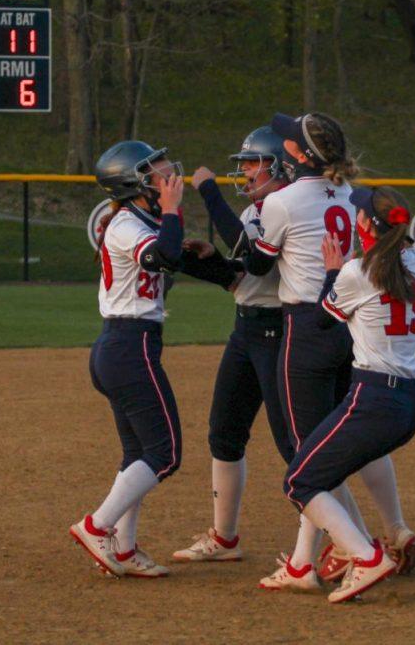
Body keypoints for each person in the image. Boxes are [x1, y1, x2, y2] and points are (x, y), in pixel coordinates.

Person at [242, 112, 415, 591]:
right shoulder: (355, 195)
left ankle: (357, 547)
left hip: (309, 323)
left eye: (291, 142)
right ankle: (306, 560)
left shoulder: (282, 200)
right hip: (354, 329)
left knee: (309, 455)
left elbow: (256, 263)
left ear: (297, 155)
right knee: (336, 438)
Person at [69, 140, 236, 579]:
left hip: (123, 347)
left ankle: (123, 550)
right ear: (132, 183)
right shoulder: (127, 224)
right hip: (130, 346)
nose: (166, 174)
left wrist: (184, 247)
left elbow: (165, 257)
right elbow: (160, 255)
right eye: (154, 170)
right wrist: (174, 212)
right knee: (165, 454)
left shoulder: (138, 220)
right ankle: (97, 525)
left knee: (137, 453)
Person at [286, 186, 415, 603]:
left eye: (360, 214)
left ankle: (366, 557)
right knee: (320, 471)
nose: (356, 217)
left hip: (372, 399)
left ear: (367, 225)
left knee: (300, 481)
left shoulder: (357, 272)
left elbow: (321, 322)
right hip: (408, 402)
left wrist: (332, 270)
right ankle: (303, 562)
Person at [170, 127, 295, 563]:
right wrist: (205, 262)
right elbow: (242, 275)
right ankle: (224, 538)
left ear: (280, 166)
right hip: (247, 330)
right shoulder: (258, 211)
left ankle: (345, 540)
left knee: (297, 445)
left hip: (282, 333)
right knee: (224, 432)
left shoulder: (286, 207)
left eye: (251, 162)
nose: (243, 171)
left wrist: (207, 192)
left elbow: (254, 255)